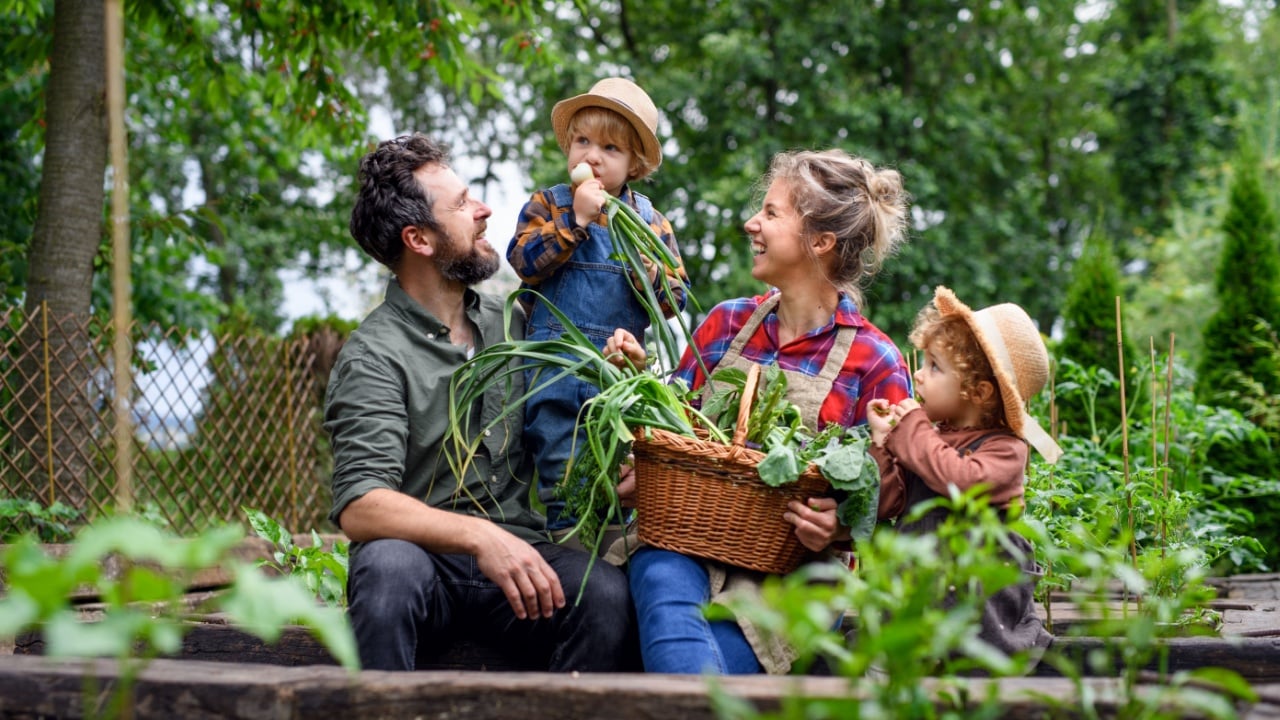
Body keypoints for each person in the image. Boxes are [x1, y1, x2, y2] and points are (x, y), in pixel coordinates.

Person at [326, 133, 640, 672]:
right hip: (427, 564)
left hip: (520, 565)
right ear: (419, 239)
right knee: (387, 570)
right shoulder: (372, 355)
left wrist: (613, 394)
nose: (485, 209)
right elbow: (361, 506)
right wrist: (478, 538)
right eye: (463, 204)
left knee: (605, 594)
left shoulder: (517, 325)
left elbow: (562, 428)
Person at [622, 148, 914, 675]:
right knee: (662, 574)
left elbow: (893, 492)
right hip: (688, 544)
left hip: (791, 579)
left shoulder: (877, 360)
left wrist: (841, 525)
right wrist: (639, 404)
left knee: (696, 658)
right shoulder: (724, 325)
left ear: (820, 242)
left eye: (772, 213)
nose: (751, 223)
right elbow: (673, 430)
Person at [507, 77, 689, 537]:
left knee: (620, 478)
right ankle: (571, 550)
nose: (591, 156)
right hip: (555, 373)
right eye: (583, 141)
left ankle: (613, 551)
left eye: (610, 149)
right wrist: (577, 220)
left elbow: (675, 299)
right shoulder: (548, 205)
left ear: (635, 166)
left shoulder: (651, 223)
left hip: (619, 376)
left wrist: (648, 273)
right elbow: (523, 262)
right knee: (565, 479)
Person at [866, 285, 1063, 660]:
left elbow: (962, 481)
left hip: (979, 604)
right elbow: (888, 503)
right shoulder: (929, 438)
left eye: (934, 366)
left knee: (972, 665)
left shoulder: (1006, 449)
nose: (919, 377)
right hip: (919, 587)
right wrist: (882, 444)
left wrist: (912, 430)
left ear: (979, 391)